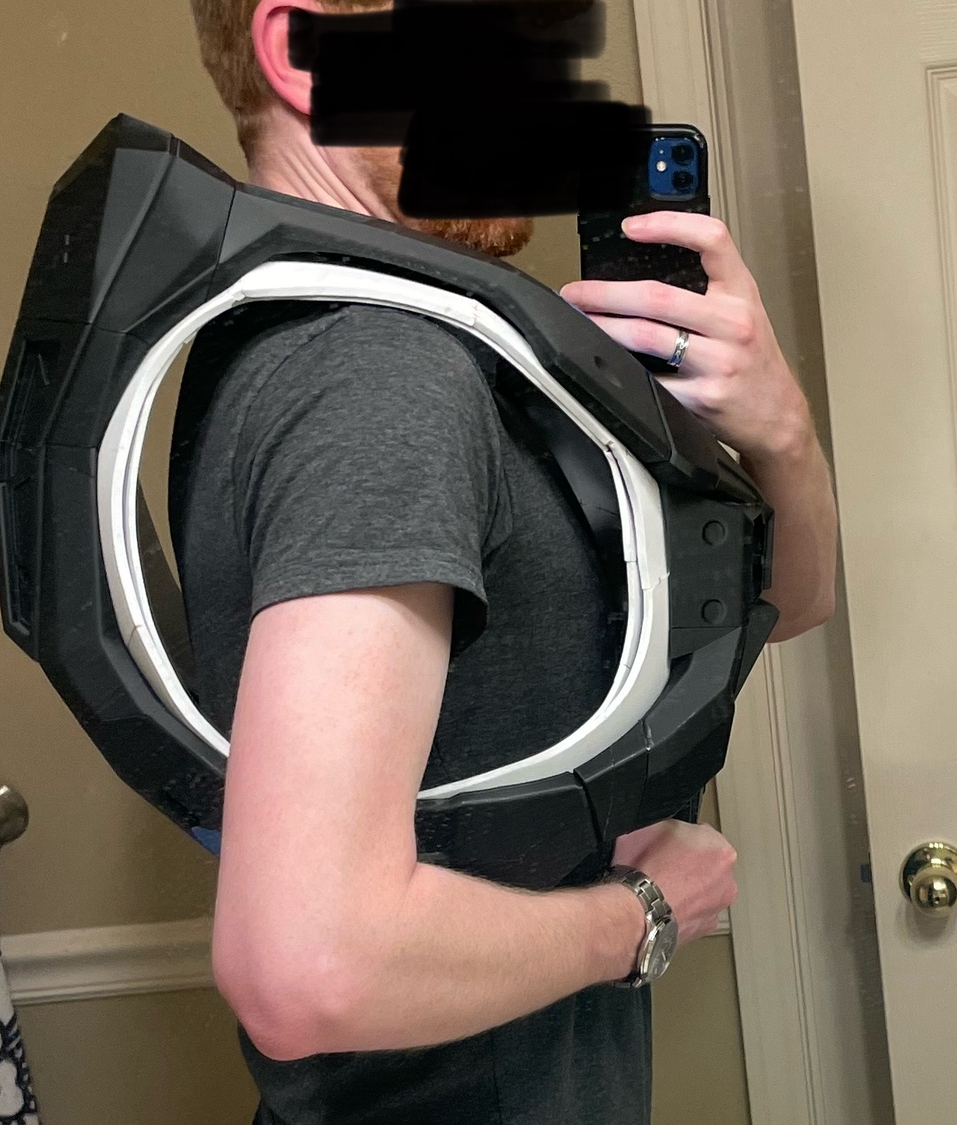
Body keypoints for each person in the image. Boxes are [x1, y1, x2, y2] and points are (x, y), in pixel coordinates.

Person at [176, 1, 841, 1121]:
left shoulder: (317, 338)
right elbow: (305, 968)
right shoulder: (378, 372)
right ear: (301, 53)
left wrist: (780, 432)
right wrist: (642, 914)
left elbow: (794, 604)